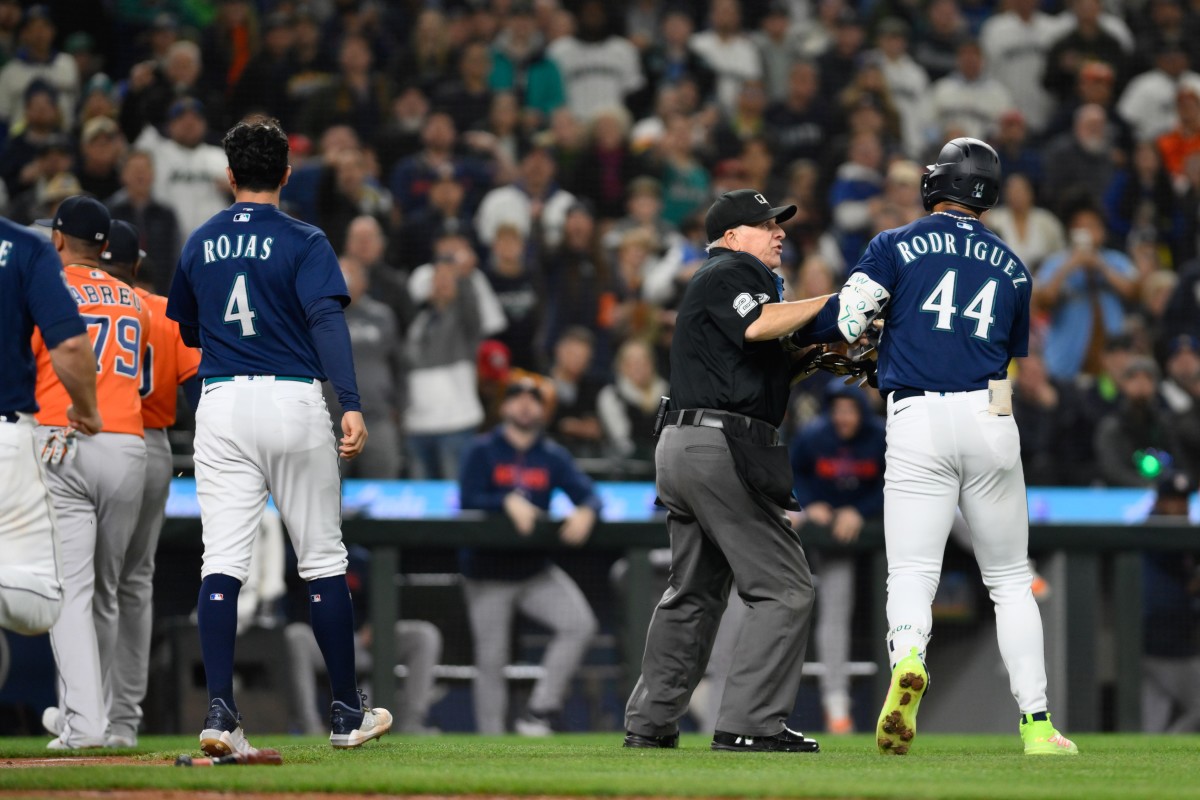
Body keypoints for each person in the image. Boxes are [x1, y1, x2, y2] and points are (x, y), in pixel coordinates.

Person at [835, 137, 1077, 756]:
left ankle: (911, 655)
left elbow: (848, 319)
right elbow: (1005, 355)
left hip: (915, 414)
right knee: (1010, 582)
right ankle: (1038, 726)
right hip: (989, 413)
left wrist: (881, 341)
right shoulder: (1015, 265)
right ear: (989, 195)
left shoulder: (894, 243)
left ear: (934, 184)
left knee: (913, 571)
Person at [165, 118, 391, 754]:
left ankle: (219, 714)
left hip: (222, 400)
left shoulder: (200, 238)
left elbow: (186, 330)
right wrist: (349, 402)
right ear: (287, 174)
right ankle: (347, 715)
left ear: (229, 175)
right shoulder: (306, 238)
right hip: (293, 396)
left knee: (222, 563)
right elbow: (326, 321)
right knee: (321, 559)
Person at [624, 188, 833, 753]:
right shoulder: (728, 271)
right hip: (719, 446)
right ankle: (750, 723)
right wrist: (836, 303)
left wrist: (813, 354)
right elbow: (759, 327)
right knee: (785, 588)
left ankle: (650, 722)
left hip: (686, 443)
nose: (779, 232)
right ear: (734, 236)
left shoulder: (726, 278)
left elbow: (753, 370)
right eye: (767, 225)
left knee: (692, 592)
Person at [33, 196, 149, 750]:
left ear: (58, 239)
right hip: (129, 446)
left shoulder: (49, 288)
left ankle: (84, 723)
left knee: (72, 592)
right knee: (107, 592)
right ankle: (103, 720)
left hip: (67, 434)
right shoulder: (134, 297)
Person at [92, 221, 200, 748]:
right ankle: (122, 721)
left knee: (89, 584)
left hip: (90, 440)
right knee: (135, 584)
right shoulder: (160, 309)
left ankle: (82, 710)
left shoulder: (78, 300)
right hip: (153, 445)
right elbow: (195, 382)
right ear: (137, 264)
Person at [458, 377, 601, 735]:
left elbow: (590, 495)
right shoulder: (482, 449)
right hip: (487, 571)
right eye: (516, 397)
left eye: (533, 399)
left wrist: (586, 510)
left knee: (579, 624)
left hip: (534, 569)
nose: (524, 405)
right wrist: (505, 501)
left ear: (543, 409)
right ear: (504, 407)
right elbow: (467, 499)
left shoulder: (551, 455)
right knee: (492, 660)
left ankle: (539, 711)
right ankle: (490, 745)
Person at [0, 195, 99, 639]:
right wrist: (85, 408)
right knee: (40, 604)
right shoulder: (24, 246)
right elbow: (73, 345)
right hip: (7, 437)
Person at [790, 382, 886, 735]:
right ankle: (836, 705)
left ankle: (1008, 570)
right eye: (838, 409)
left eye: (850, 409)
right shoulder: (815, 435)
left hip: (876, 519)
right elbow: (792, 472)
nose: (843, 416)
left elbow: (896, 481)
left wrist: (859, 512)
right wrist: (808, 501)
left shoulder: (880, 436)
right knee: (835, 606)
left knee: (947, 508)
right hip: (832, 536)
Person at [285, 546, 443, 735]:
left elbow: (385, 600)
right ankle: (310, 727)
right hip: (318, 643)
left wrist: (375, 623)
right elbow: (289, 605)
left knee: (424, 635)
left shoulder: (360, 560)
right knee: (295, 635)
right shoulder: (299, 557)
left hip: (360, 642)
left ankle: (411, 723)